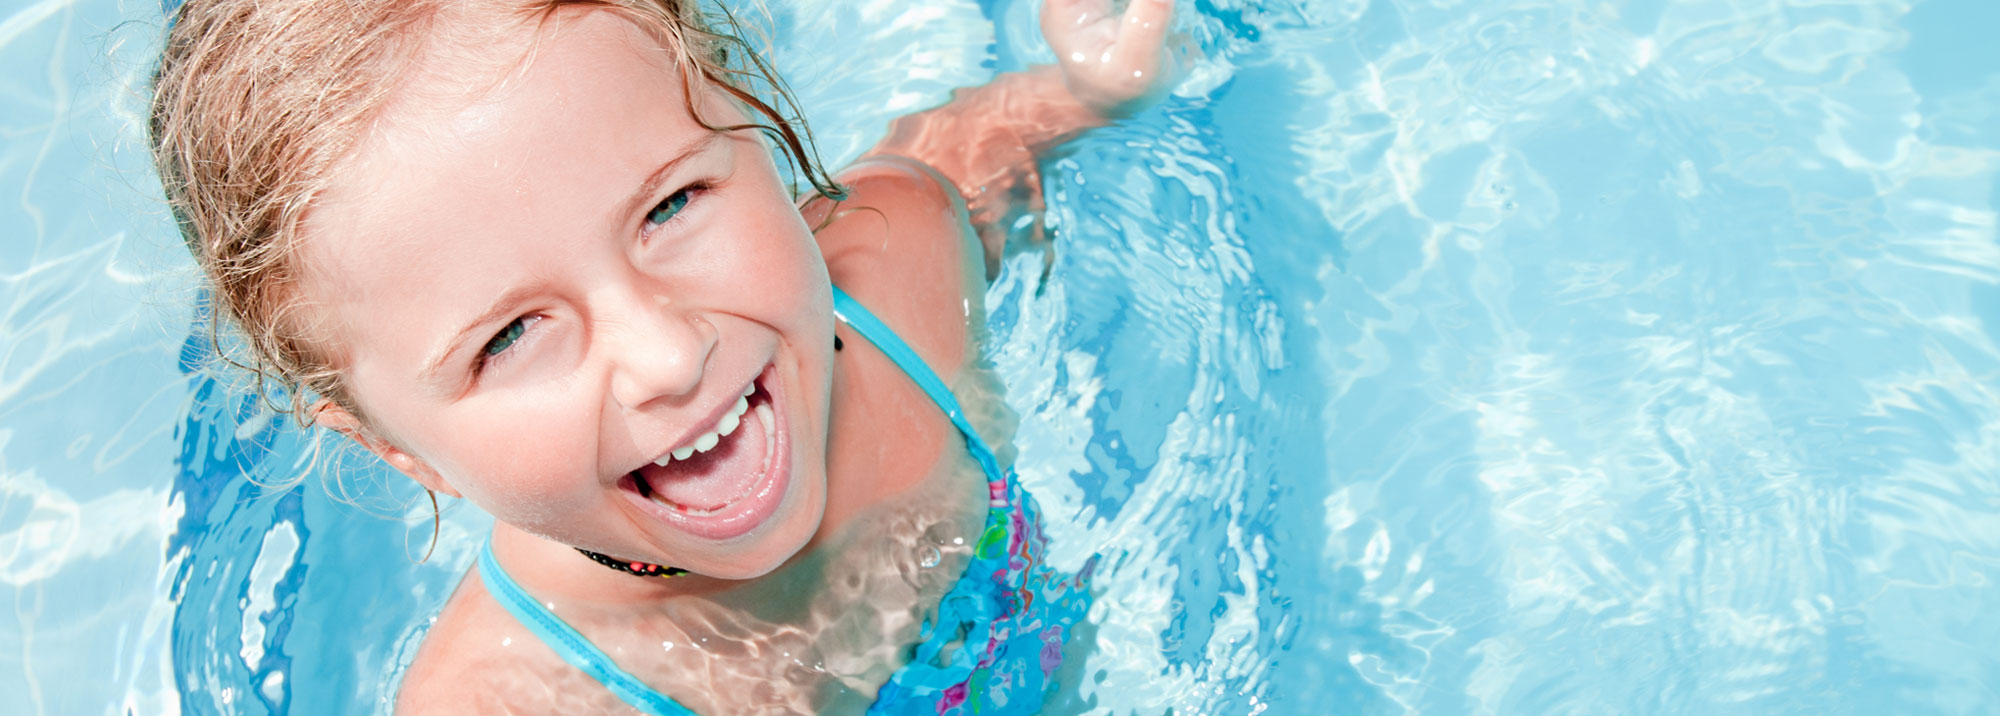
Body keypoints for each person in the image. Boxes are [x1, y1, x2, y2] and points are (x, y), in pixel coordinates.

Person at [150, 0, 1173, 712]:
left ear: (753, 128)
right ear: (392, 449)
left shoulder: (899, 274)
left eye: (670, 205)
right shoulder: (514, 699)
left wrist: (1096, 88)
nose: (666, 353)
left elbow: (973, 153)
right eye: (510, 335)